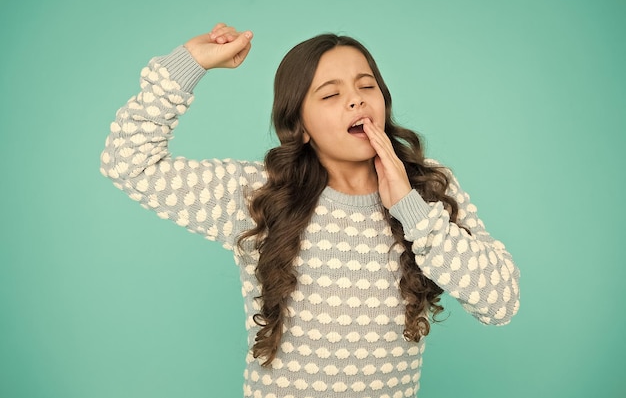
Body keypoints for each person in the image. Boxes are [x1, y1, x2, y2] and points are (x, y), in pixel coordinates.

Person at [100, 22, 520, 398]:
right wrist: (188, 64)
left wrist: (410, 208)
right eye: (332, 94)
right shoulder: (259, 194)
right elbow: (127, 162)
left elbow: (500, 302)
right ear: (299, 126)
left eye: (366, 86)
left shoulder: (427, 188)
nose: (356, 101)